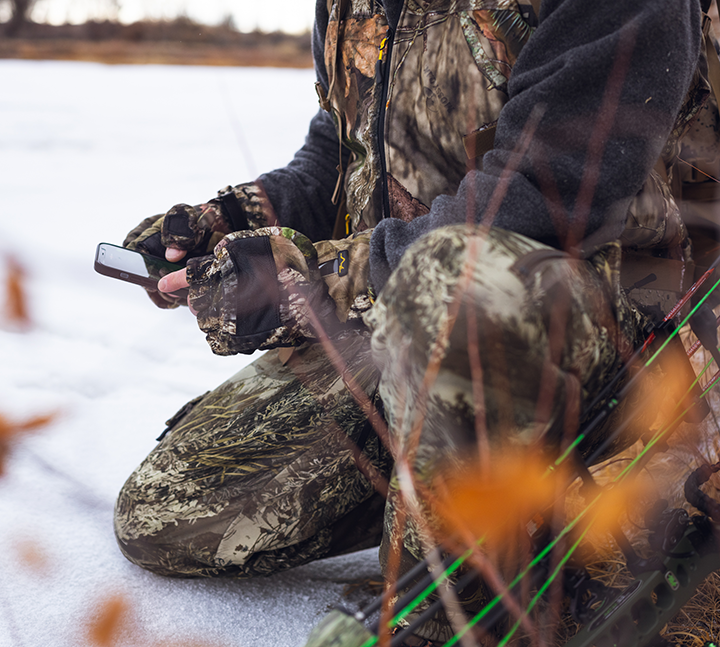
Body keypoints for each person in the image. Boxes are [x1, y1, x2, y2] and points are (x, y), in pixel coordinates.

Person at [114, 0, 717, 643]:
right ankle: (441, 460)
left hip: (626, 340)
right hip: (412, 323)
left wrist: (315, 277)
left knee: (446, 277)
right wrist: (230, 217)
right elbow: (339, 157)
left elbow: (552, 195)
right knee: (168, 514)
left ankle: (493, 583)